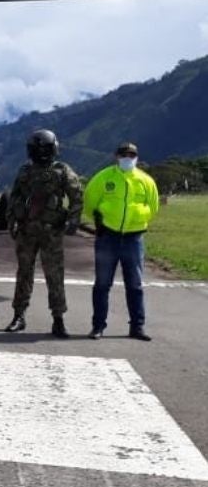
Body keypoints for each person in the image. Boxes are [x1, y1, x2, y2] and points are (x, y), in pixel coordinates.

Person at [6, 130, 83, 338]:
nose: (40, 153)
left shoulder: (62, 171)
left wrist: (73, 220)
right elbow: (14, 198)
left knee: (55, 276)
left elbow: (77, 196)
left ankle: (58, 320)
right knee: (24, 273)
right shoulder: (25, 171)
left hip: (51, 232)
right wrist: (12, 221)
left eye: (44, 149)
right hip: (27, 231)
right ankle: (19, 316)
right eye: (37, 149)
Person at [85, 142, 160, 341]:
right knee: (102, 284)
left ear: (136, 157)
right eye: (123, 154)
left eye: (131, 154)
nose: (127, 157)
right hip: (107, 237)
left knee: (135, 285)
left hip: (134, 239)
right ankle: (98, 326)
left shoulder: (146, 181)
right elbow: (90, 202)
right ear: (116, 156)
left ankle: (137, 327)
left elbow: (153, 207)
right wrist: (100, 221)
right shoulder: (103, 178)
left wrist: (139, 217)